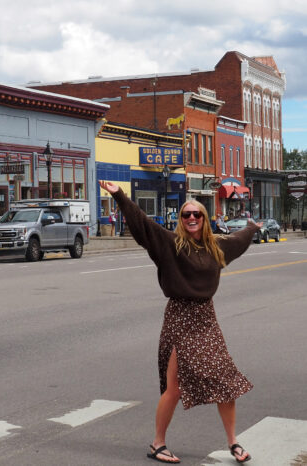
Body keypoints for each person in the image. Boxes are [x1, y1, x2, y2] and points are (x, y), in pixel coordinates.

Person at [99, 180, 259, 464]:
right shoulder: (170, 245)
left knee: (224, 381)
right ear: (181, 221)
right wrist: (119, 195)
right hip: (179, 318)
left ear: (204, 219)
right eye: (187, 215)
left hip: (206, 319)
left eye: (197, 214)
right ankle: (157, 443)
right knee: (175, 387)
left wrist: (252, 228)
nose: (192, 218)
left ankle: (233, 442)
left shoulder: (217, 249)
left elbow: (240, 240)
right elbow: (143, 224)